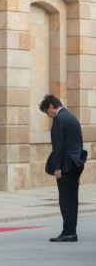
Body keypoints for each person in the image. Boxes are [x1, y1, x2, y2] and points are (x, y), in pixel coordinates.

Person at [40, 94, 86, 242]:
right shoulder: (72, 117)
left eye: (48, 112)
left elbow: (58, 146)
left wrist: (57, 168)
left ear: (52, 107)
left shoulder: (59, 119)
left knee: (66, 200)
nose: (49, 115)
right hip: (75, 164)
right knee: (73, 199)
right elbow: (78, 142)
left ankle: (68, 232)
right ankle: (71, 231)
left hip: (65, 166)